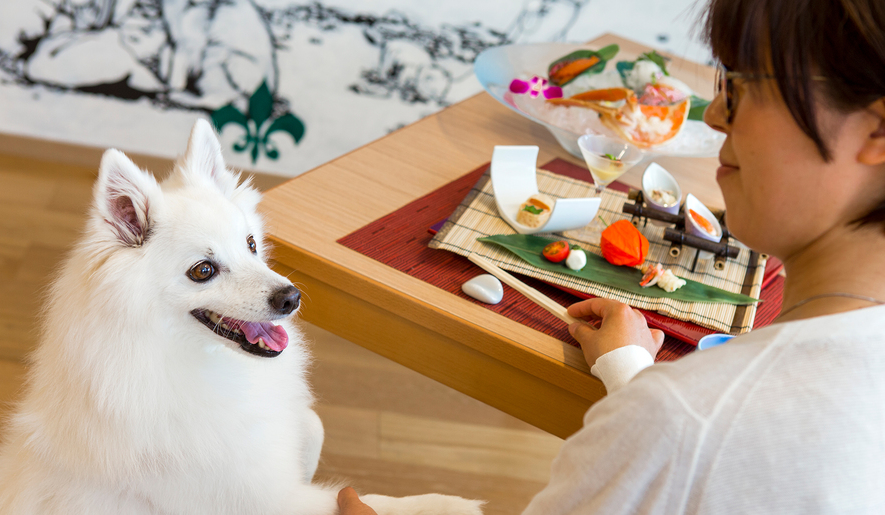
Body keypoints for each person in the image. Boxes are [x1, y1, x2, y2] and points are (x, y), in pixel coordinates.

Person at [339, 0, 885, 512]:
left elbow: (696, 441)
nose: (717, 114)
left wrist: (656, 413)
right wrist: (634, 376)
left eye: (741, 86)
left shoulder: (684, 423)